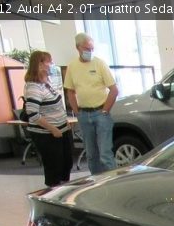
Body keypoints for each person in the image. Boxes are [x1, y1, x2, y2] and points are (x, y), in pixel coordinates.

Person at [64, 33, 118, 174]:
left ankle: (114, 183)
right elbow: (70, 91)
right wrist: (77, 112)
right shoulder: (72, 67)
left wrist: (105, 111)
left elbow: (114, 90)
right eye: (87, 48)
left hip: (101, 113)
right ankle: (96, 183)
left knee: (105, 154)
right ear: (78, 48)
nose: (90, 52)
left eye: (92, 48)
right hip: (84, 114)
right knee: (91, 155)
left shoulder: (99, 64)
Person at [23, 50, 73, 187]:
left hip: (62, 129)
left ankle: (64, 190)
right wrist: (53, 129)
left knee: (66, 164)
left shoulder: (47, 82)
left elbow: (56, 105)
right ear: (39, 64)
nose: (51, 64)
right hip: (47, 134)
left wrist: (64, 122)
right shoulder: (33, 86)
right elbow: (33, 114)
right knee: (54, 167)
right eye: (48, 62)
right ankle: (54, 194)